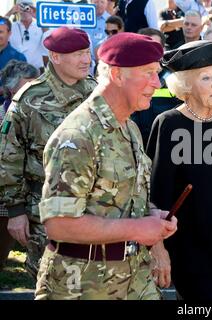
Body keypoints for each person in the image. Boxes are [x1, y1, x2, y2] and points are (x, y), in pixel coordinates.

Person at [35, 32, 178, 300]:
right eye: (148, 73)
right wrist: (138, 228)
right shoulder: (78, 136)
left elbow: (131, 197)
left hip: (134, 277)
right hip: (83, 284)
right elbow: (58, 225)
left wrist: (153, 220)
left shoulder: (130, 127)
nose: (156, 83)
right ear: (117, 75)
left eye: (157, 73)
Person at [147, 40, 212, 300]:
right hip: (186, 241)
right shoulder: (169, 124)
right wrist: (158, 248)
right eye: (207, 78)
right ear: (186, 86)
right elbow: (155, 193)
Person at [0, 27, 96, 280]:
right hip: (44, 214)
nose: (86, 59)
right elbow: (9, 157)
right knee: (49, 283)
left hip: (95, 212)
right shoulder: (29, 99)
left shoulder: (98, 94)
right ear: (55, 57)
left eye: (87, 52)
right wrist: (15, 211)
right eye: (77, 54)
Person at [0, 60, 39, 271]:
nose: (34, 90)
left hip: (28, 204)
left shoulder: (39, 118)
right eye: (28, 84)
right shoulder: (2, 116)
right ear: (11, 87)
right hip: (5, 203)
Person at [131, 28, 182, 148]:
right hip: (136, 147)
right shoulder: (129, 76)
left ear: (163, 49)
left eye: (156, 46)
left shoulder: (175, 76)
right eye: (145, 46)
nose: (150, 51)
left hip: (167, 146)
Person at [7, 0, 47, 72]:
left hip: (36, 71)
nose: (25, 9)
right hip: (15, 72)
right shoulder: (11, 27)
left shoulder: (40, 27)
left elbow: (49, 38)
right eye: (22, 6)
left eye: (28, 6)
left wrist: (39, 17)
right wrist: (10, 13)